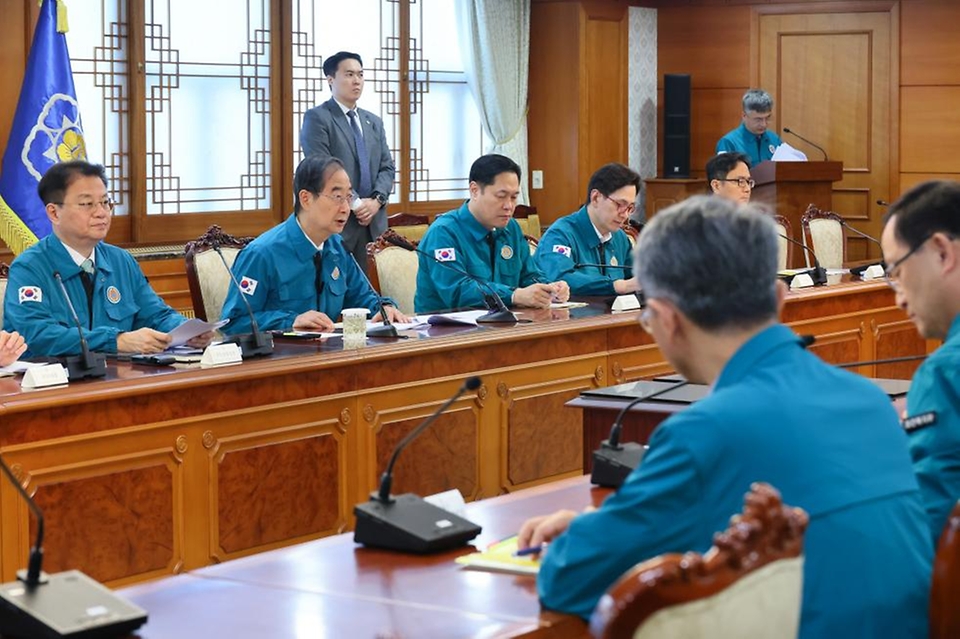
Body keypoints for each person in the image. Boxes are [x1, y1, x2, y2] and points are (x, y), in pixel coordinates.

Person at [518, 196, 931, 638]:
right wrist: (605, 527)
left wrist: (591, 534)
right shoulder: (870, 401)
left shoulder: (704, 432)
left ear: (664, 319)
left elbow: (568, 579)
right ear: (779, 297)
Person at [3, 161, 212, 356]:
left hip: (118, 378)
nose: (101, 213)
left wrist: (186, 330)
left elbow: (156, 315)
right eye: (87, 204)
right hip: (54, 384)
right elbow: (35, 335)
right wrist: (116, 340)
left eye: (105, 202)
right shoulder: (30, 267)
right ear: (54, 213)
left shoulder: (120, 261)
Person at [220, 155, 407, 334]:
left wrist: (384, 308)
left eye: (348, 197)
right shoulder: (261, 254)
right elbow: (234, 322)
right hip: (281, 361)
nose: (345, 209)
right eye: (337, 197)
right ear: (306, 199)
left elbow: (363, 298)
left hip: (328, 357)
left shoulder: (337, 247)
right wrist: (291, 321)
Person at [881, 180, 960, 546]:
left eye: (895, 273)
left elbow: (927, 531)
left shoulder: (944, 372)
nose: (897, 298)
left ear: (942, 252)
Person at [414, 154, 569, 314]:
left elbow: (529, 275)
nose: (509, 206)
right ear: (474, 191)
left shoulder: (511, 228)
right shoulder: (443, 233)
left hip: (505, 326)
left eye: (514, 197)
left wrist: (550, 288)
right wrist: (514, 295)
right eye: (501, 196)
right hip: (447, 332)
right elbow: (457, 291)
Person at [300, 51, 396, 272]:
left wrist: (376, 201)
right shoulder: (318, 118)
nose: (357, 81)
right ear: (331, 79)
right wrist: (355, 204)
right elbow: (322, 169)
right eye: (349, 74)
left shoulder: (374, 121)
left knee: (374, 293)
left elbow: (387, 166)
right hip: (337, 222)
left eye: (361, 75)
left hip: (374, 223)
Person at [535, 163, 640, 296]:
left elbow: (639, 275)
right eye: (620, 205)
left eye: (630, 208)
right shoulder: (560, 235)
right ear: (595, 198)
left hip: (616, 316)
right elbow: (559, 279)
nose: (624, 215)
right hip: (573, 316)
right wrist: (617, 286)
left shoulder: (620, 238)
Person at [715, 89, 782, 166]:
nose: (764, 124)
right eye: (758, 119)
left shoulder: (774, 139)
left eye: (767, 118)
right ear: (744, 116)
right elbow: (724, 175)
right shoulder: (728, 142)